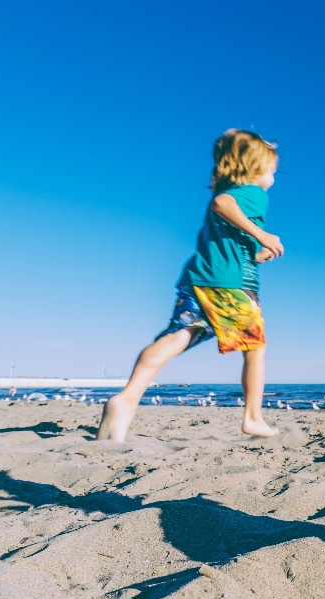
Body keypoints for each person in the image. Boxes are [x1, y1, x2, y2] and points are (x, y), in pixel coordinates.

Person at [97, 129, 284, 443]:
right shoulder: (252, 193)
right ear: (255, 169)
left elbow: (231, 240)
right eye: (272, 171)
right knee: (255, 349)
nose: (273, 179)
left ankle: (127, 397)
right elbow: (222, 204)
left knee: (178, 336)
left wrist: (257, 253)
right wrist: (264, 235)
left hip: (202, 277)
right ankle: (253, 418)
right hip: (232, 285)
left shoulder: (232, 193)